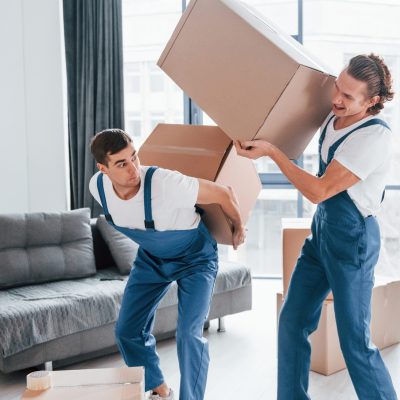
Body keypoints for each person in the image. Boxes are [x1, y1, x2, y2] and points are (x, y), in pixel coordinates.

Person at [235, 54, 397, 399]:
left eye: (349, 96)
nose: (337, 99)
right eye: (337, 87)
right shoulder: (335, 115)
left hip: (353, 240)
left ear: (373, 102)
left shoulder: (373, 137)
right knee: (291, 323)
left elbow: (320, 189)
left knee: (354, 342)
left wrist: (272, 153)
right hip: (322, 232)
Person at [89, 129, 245, 400]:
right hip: (152, 259)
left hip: (196, 259)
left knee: (188, 334)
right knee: (127, 330)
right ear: (103, 168)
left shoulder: (165, 182)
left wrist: (238, 228)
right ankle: (159, 388)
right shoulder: (98, 187)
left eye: (134, 157)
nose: (133, 168)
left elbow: (224, 193)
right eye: (121, 163)